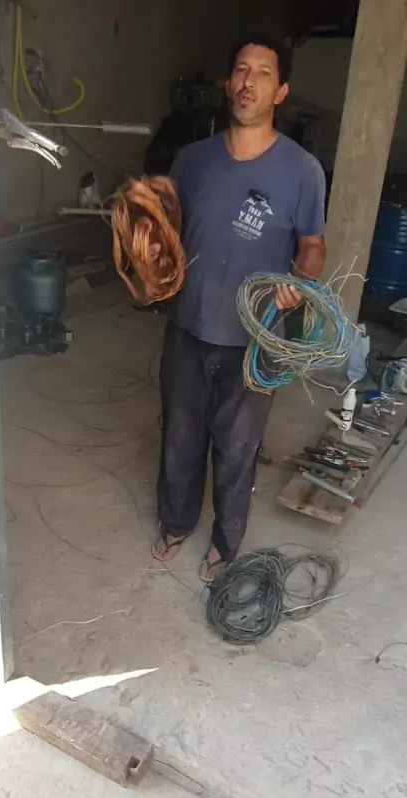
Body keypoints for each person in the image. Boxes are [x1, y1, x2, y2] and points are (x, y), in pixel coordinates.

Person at [152, 33, 326, 582]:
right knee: (179, 437)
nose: (249, 82)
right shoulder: (193, 160)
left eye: (264, 74)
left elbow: (312, 247)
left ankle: (224, 544)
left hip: (255, 339)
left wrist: (298, 282)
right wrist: (149, 249)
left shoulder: (301, 170)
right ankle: (176, 521)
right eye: (242, 71)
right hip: (188, 325)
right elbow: (167, 231)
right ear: (229, 83)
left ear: (281, 92)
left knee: (237, 448)